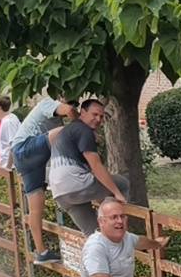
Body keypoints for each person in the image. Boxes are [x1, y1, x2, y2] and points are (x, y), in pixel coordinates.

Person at [48, 98, 130, 236]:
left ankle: (104, 233)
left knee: (94, 234)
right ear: (83, 112)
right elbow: (96, 166)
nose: (98, 119)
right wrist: (117, 193)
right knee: (122, 183)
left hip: (59, 193)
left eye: (101, 116)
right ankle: (114, 221)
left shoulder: (67, 131)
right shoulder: (83, 130)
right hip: (76, 184)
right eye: (95, 114)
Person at [12, 96, 79, 263]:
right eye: (70, 100)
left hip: (29, 161)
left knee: (36, 209)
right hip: (25, 147)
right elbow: (68, 110)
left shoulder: (57, 123)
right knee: (69, 133)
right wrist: (82, 124)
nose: (72, 106)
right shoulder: (47, 103)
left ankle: (42, 252)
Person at [0, 96, 22, 169]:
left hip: (12, 167)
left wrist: (8, 167)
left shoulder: (8, 122)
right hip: (8, 165)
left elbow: (14, 145)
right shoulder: (8, 119)